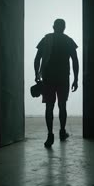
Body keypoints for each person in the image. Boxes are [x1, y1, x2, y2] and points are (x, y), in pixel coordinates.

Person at [34, 19, 79, 148]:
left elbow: (37, 58)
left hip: (48, 78)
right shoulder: (68, 40)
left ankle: (50, 135)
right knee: (62, 105)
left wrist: (36, 74)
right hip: (63, 78)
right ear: (64, 27)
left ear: (53, 27)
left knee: (49, 106)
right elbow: (75, 61)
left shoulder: (46, 39)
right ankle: (62, 132)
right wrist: (76, 79)